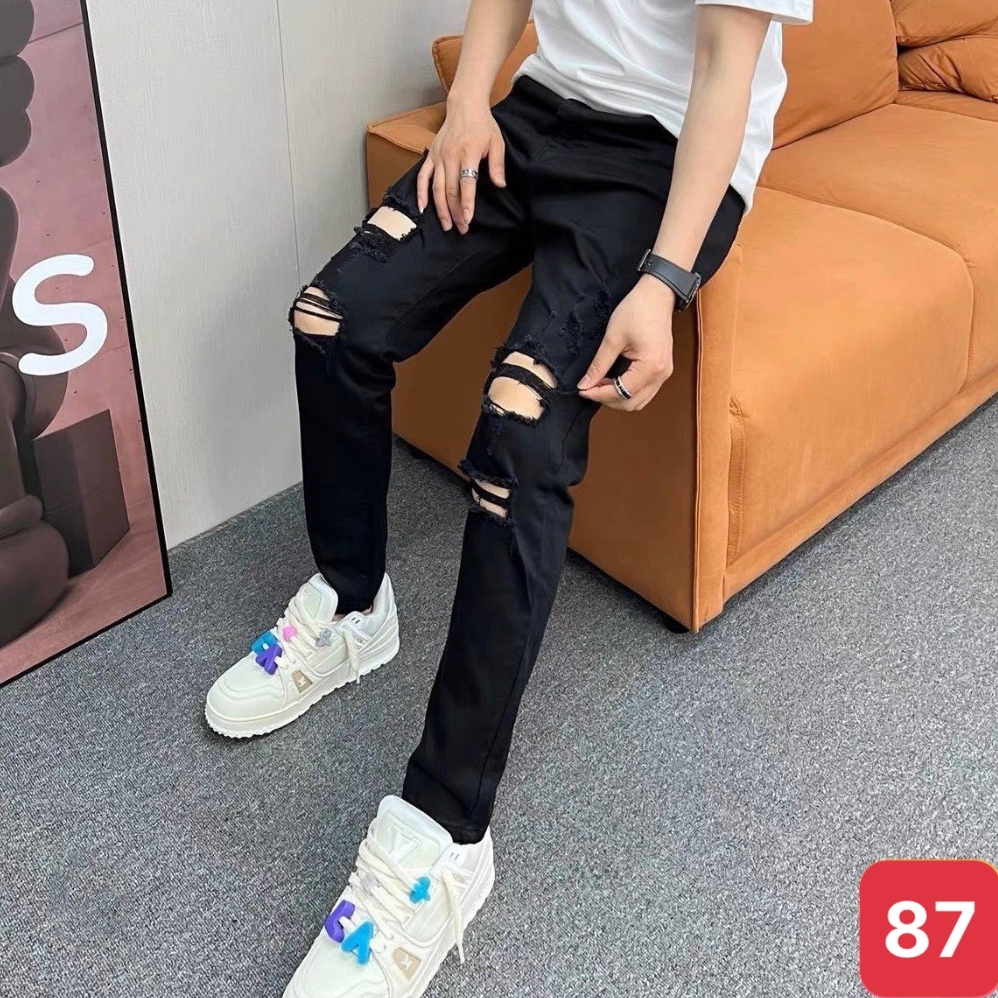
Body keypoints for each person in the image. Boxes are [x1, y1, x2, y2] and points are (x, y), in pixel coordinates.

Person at [205, 0, 813, 993]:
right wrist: (467, 103)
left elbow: (722, 71)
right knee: (331, 320)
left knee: (519, 431)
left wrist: (664, 280)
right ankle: (354, 604)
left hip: (664, 160)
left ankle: (445, 829)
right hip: (537, 113)